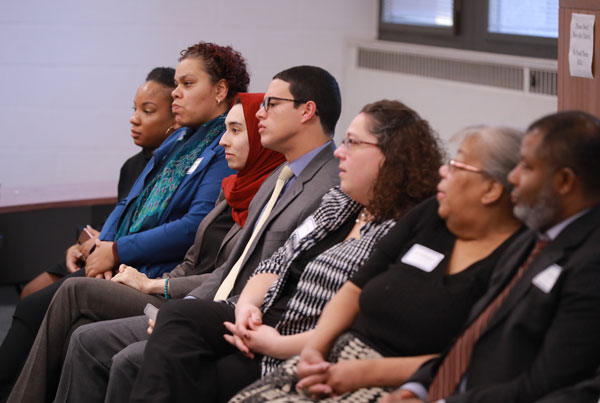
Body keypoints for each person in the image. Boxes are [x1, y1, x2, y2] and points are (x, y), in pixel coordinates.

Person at [52, 64, 344, 403]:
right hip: (208, 305)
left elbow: (287, 285)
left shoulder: (329, 188)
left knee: (123, 356)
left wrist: (183, 310)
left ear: (307, 111)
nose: (261, 114)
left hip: (248, 321)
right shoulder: (278, 177)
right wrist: (185, 308)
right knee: (87, 339)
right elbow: (231, 267)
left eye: (271, 104)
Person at [124, 99, 445, 403]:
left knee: (190, 372)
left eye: (352, 143)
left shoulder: (403, 230)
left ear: (391, 156)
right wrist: (246, 308)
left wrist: (274, 344)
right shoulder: (340, 201)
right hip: (261, 315)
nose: (340, 153)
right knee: (181, 314)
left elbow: (361, 323)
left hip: (302, 341)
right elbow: (275, 262)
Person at [0, 41, 249, 399]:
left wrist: (117, 251)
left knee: (44, 302)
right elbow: (130, 200)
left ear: (221, 90)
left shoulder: (223, 148)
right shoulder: (179, 138)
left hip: (157, 273)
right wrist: (104, 248)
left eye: (187, 84)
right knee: (73, 324)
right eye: (176, 84)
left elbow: (193, 226)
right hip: (123, 260)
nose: (176, 94)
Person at [231, 125, 525, 402]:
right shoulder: (431, 214)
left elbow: (470, 358)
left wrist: (360, 372)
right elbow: (355, 288)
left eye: (458, 166)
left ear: (491, 190)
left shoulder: (517, 260)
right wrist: (315, 349)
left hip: (404, 383)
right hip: (334, 355)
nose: (443, 171)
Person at [386, 110, 600, 403]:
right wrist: (417, 387)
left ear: (564, 181)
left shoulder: (590, 264)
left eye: (526, 167)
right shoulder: (533, 238)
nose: (512, 177)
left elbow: (547, 384)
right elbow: (474, 334)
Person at [19, 66, 178, 300]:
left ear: (175, 117)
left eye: (148, 111)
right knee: (30, 292)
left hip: (127, 262)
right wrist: (79, 246)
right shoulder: (132, 166)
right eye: (135, 109)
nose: (134, 119)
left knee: (38, 302)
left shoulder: (175, 169)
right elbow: (111, 222)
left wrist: (107, 245)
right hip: (100, 250)